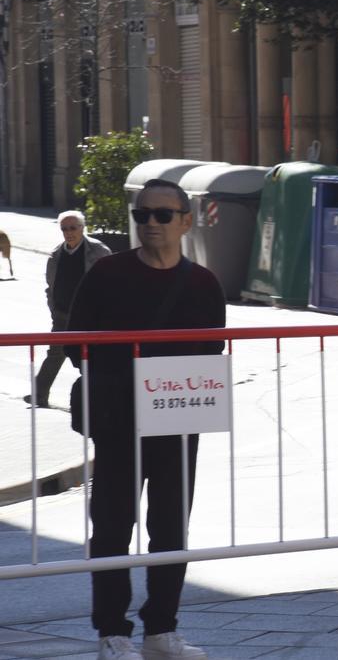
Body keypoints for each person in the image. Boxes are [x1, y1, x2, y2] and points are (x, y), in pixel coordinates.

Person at [66, 179, 225, 660]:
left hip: (177, 420)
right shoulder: (107, 273)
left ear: (185, 220)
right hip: (118, 422)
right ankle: (112, 632)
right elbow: (77, 343)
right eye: (142, 215)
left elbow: (210, 351)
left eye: (161, 215)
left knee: (171, 525)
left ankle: (162, 630)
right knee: (113, 525)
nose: (151, 224)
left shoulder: (203, 283)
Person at [23, 210, 111, 407]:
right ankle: (39, 394)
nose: (69, 232)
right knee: (55, 355)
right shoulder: (56, 254)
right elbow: (50, 286)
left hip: (90, 317)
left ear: (82, 228)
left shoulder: (98, 251)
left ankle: (98, 400)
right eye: (64, 229)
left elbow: (111, 283)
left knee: (91, 358)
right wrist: (54, 309)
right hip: (63, 315)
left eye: (73, 228)